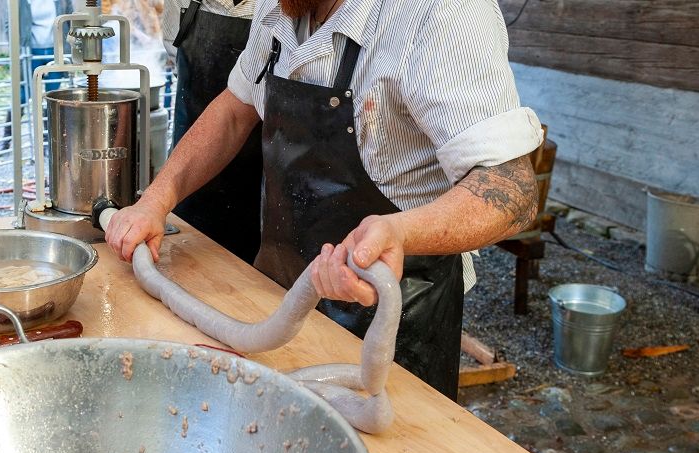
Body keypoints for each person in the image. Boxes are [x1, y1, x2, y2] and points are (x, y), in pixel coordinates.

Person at [106, 0, 542, 399]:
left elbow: (512, 189)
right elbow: (235, 107)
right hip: (281, 306)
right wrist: (156, 199)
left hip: (395, 328)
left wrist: (398, 231)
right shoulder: (278, 11)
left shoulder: (438, 16)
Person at [160, 0, 262, 264]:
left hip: (264, 198)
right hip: (192, 186)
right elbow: (174, 57)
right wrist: (157, 198)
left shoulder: (284, 10)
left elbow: (239, 110)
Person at [3, 0, 72, 149]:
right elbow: (10, 24)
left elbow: (71, 21)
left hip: (56, 52)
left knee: (52, 96)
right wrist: (16, 47)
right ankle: (6, 138)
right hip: (30, 52)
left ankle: (48, 142)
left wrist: (71, 46)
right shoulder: (21, 2)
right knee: (21, 95)